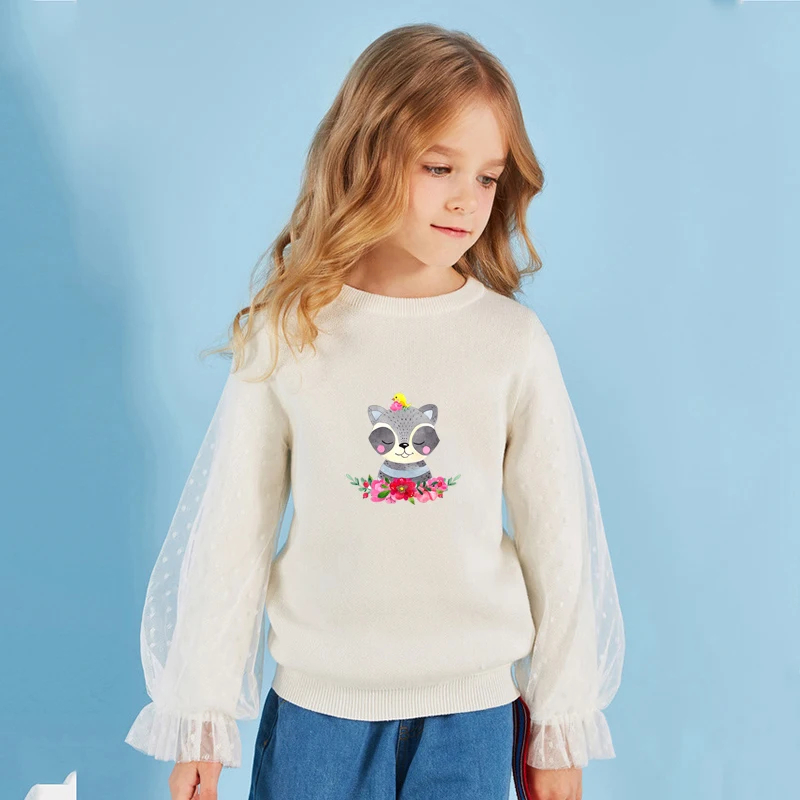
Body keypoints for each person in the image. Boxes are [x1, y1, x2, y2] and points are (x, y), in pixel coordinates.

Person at [124, 22, 625, 800]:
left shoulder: (511, 343)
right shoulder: (291, 332)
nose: (466, 200)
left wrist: (560, 723)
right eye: (439, 167)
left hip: (473, 716)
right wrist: (200, 719)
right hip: (319, 718)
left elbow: (560, 543)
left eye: (487, 178)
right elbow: (232, 532)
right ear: (368, 154)